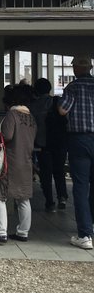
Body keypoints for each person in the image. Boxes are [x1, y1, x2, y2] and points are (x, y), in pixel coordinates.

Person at [0, 83, 37, 245]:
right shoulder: (31, 117)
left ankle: (0, 233)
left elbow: (6, 136)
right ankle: (23, 232)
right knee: (23, 198)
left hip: (10, 162)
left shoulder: (12, 115)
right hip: (26, 162)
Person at [58, 55, 94, 250]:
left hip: (79, 139)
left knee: (80, 186)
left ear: (77, 69)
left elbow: (63, 110)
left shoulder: (73, 87)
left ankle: (85, 234)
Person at [30, 78, 68, 212]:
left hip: (42, 143)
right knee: (59, 170)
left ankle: (49, 202)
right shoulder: (57, 101)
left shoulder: (33, 106)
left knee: (46, 173)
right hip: (59, 142)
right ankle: (62, 197)